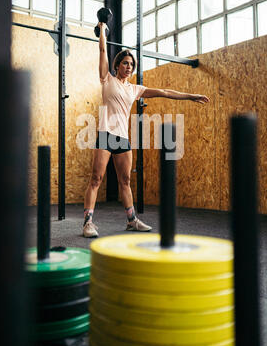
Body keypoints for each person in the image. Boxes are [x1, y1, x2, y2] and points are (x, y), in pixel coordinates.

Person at [82, 21, 210, 238]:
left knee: (125, 181)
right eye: (125, 63)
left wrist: (191, 96)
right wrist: (102, 31)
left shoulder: (135, 89)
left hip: (122, 138)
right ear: (117, 66)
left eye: (132, 64)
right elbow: (102, 50)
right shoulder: (107, 80)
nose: (129, 66)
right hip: (105, 135)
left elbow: (164, 92)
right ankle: (87, 224)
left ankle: (132, 221)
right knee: (96, 179)